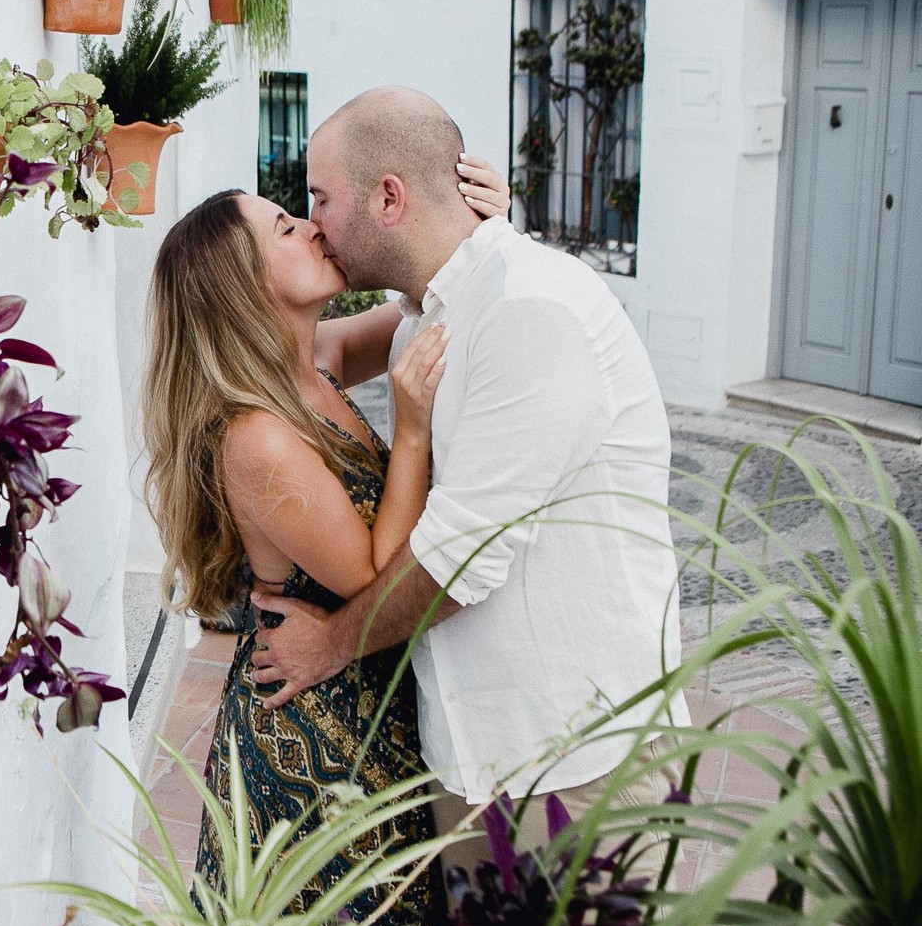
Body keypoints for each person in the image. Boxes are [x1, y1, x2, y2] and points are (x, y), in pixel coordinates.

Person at [248, 86, 689, 868]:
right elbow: (297, 348)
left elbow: (460, 557)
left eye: (320, 198)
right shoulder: (425, 317)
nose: (314, 223)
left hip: (579, 763)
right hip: (474, 763)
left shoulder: (530, 308)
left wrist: (331, 645)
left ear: (389, 197)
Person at [140, 151, 508, 926]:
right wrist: (411, 428)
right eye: (285, 226)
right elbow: (373, 571)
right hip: (314, 741)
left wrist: (487, 230)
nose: (312, 227)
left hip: (369, 698)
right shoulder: (256, 437)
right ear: (242, 285)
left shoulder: (319, 357)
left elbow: (436, 300)